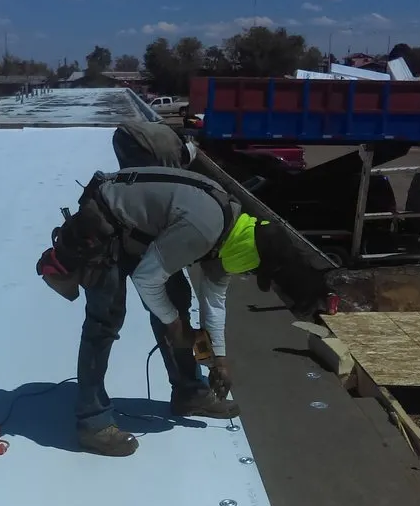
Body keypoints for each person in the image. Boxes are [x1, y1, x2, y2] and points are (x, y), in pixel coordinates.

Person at [36, 121, 283, 457]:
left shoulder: (232, 229)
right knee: (105, 320)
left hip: (135, 232)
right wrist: (174, 325)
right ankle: (91, 422)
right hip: (103, 229)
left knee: (178, 301)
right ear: (242, 257)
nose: (247, 276)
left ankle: (190, 392)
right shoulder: (204, 228)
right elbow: (147, 280)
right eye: (251, 272)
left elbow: (213, 303)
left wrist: (218, 360)